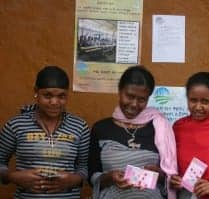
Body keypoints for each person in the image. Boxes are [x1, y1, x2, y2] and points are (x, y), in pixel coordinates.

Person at [88, 65, 178, 199]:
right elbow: (92, 176)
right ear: (119, 91)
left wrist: (160, 175)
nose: (134, 104)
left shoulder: (159, 128)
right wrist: (110, 177)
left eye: (142, 99)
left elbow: (170, 180)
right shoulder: (101, 129)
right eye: (129, 96)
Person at [0, 66, 90, 198]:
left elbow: (84, 167)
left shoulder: (80, 127)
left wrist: (74, 180)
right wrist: (12, 176)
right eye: (47, 95)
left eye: (61, 96)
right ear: (36, 92)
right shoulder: (16, 125)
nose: (54, 102)